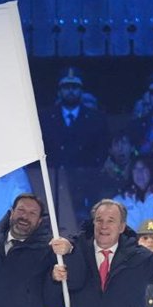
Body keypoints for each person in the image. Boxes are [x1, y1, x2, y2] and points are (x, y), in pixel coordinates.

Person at [36, 67, 110, 232]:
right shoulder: (45, 117)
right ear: (59, 90)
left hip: (85, 184)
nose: (70, 91)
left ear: (81, 90)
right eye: (66, 87)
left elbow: (102, 151)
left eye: (75, 87)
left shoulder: (96, 118)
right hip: (54, 183)